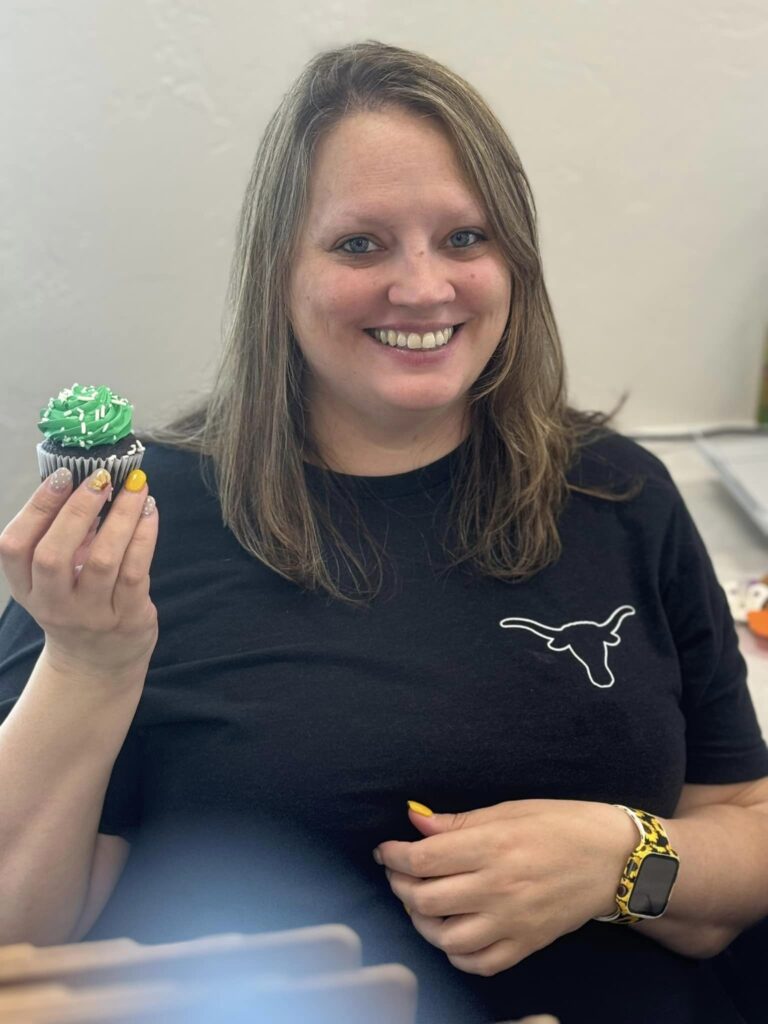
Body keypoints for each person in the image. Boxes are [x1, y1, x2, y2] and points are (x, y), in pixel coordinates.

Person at [1, 39, 767, 1024]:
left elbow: (741, 841)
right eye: (360, 244)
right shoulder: (145, 524)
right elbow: (24, 940)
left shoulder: (621, 494)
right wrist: (88, 663)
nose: (422, 287)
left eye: (464, 237)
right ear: (278, 271)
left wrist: (623, 861)